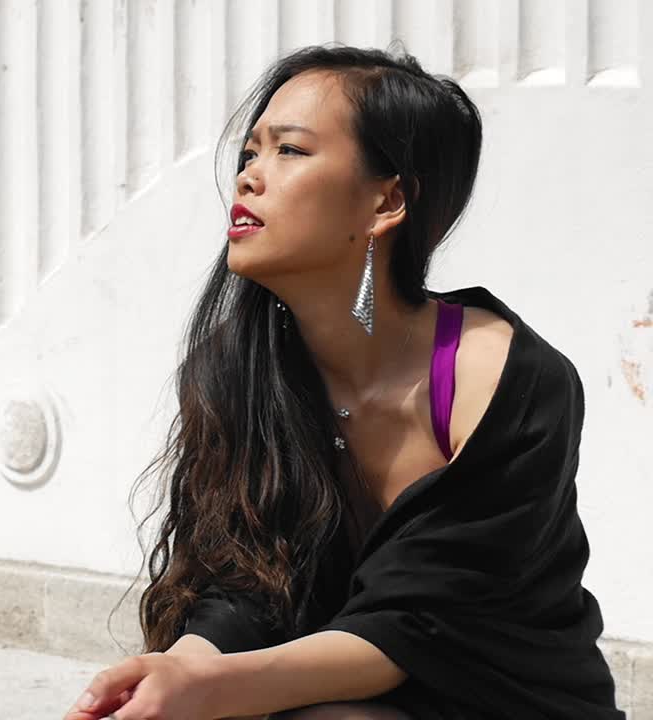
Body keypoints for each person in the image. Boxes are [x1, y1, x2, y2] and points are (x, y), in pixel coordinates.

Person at [63, 43, 623, 719]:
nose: (249, 177)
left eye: (289, 151)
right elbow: (243, 584)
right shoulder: (234, 367)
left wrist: (214, 689)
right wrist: (179, 669)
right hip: (330, 691)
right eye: (249, 153)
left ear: (386, 201)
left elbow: (418, 626)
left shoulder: (504, 378)